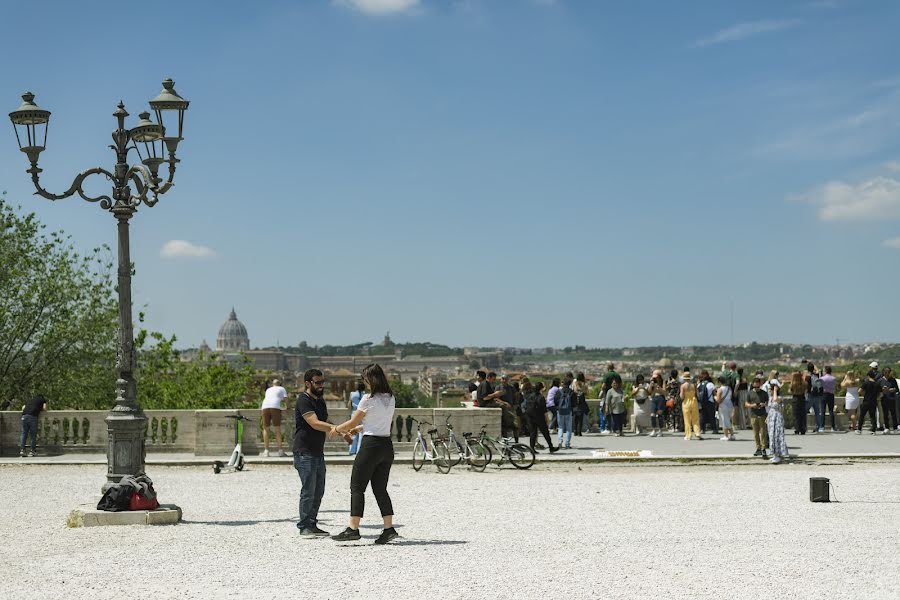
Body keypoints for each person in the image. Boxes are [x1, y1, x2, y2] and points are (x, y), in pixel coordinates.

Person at [331, 364, 399, 545]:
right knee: (380, 489)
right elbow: (379, 423)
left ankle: (353, 529)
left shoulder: (367, 399)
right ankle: (388, 528)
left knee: (357, 486)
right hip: (386, 445)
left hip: (371, 447)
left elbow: (353, 420)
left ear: (370, 379)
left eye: (365, 378)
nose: (364, 382)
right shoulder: (390, 398)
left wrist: (336, 428)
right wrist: (358, 429)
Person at [294, 369, 339, 537]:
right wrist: (334, 428)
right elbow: (313, 423)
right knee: (308, 490)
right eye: (317, 383)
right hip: (304, 452)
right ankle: (304, 526)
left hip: (318, 452)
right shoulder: (303, 400)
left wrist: (342, 431)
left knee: (318, 490)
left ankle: (312, 523)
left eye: (322, 382)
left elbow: (324, 421)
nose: (321, 386)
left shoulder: (320, 401)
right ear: (307, 383)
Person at [525, 381, 558, 453]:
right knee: (545, 433)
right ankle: (551, 447)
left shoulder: (530, 396)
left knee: (533, 433)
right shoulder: (541, 397)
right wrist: (548, 420)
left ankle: (532, 448)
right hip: (539, 417)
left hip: (530, 417)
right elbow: (544, 410)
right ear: (541, 388)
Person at [260, 378, 288, 457]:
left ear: (273, 384)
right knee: (277, 428)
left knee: (266, 428)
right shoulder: (282, 388)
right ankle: (280, 450)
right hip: (275, 407)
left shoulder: (268, 390)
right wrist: (289, 407)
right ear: (279, 384)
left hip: (265, 406)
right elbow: (286, 400)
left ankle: (266, 451)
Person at [765, 371, 788, 464]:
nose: (769, 391)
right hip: (771, 417)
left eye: (771, 389)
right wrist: (767, 417)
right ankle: (774, 454)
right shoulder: (770, 397)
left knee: (777, 436)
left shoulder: (779, 397)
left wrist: (775, 390)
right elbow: (770, 407)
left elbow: (775, 400)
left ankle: (778, 454)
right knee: (771, 436)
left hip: (777, 418)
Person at [745, 378, 768, 458]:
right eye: (755, 384)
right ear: (753, 384)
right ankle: (758, 448)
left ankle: (763, 448)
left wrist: (763, 404)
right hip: (753, 415)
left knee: (763, 432)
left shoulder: (764, 393)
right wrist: (752, 405)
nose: (757, 386)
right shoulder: (750, 393)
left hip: (762, 414)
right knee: (755, 433)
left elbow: (767, 403)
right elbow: (746, 404)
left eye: (758, 384)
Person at [857, 369, 881, 435]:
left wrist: (864, 394)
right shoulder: (877, 384)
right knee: (873, 416)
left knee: (862, 415)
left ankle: (859, 429)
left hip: (866, 401)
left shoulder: (866, 383)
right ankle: (873, 430)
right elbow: (879, 393)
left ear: (868, 376)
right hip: (873, 402)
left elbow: (859, 391)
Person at [555, 379, 576, 448]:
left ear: (563, 384)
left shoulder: (559, 391)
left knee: (560, 427)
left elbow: (555, 400)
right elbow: (574, 403)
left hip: (560, 411)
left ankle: (560, 441)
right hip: (568, 411)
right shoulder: (571, 392)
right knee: (568, 428)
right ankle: (567, 444)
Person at [680, 372, 701, 440]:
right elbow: (697, 394)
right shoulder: (693, 385)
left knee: (687, 419)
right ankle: (697, 432)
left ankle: (688, 435)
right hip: (694, 401)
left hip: (686, 402)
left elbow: (682, 396)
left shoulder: (683, 386)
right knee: (695, 418)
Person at [805, 362, 825, 434]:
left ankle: (804, 427)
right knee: (817, 413)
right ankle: (819, 427)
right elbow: (818, 371)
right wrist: (813, 365)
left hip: (809, 396)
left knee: (804, 412)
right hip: (817, 396)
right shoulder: (816, 376)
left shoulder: (807, 377)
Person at [697, 370, 718, 436]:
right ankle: (714, 429)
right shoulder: (711, 384)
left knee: (702, 416)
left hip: (702, 402)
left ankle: (702, 429)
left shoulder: (699, 385)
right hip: (710, 402)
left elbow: (697, 393)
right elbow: (714, 393)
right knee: (712, 416)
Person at [348, 382, 366, 455]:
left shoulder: (352, 394)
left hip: (354, 414)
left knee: (353, 432)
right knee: (362, 432)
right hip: (362, 414)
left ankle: (352, 450)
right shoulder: (365, 395)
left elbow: (349, 404)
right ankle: (359, 450)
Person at [880, 367, 899, 433]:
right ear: (883, 372)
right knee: (885, 414)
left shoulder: (893, 380)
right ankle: (887, 428)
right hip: (884, 399)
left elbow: (897, 389)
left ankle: (895, 428)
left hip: (892, 399)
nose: (887, 373)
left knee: (893, 414)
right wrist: (882, 390)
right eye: (885, 372)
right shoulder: (880, 380)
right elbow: (877, 390)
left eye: (888, 372)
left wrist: (892, 389)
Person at [716, 376, 735, 441]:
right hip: (730, 403)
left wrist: (714, 397)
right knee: (728, 420)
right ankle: (732, 434)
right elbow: (730, 396)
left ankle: (726, 435)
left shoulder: (720, 389)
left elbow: (718, 400)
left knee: (724, 420)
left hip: (723, 405)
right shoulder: (729, 388)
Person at [648, 370, 666, 437]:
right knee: (652, 415)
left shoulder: (663, 382)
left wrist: (658, 388)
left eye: (657, 377)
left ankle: (660, 430)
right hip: (654, 398)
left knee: (659, 415)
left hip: (661, 398)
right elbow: (649, 392)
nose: (656, 378)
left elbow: (664, 392)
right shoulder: (652, 382)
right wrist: (651, 384)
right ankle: (653, 430)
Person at [820, 366, 838, 432]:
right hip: (831, 395)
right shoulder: (834, 378)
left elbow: (820, 385)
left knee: (823, 411)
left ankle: (822, 427)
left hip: (824, 394)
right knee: (831, 411)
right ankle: (833, 427)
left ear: (825, 371)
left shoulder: (822, 378)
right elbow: (835, 386)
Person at [790, 371, 807, 435]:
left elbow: (790, 390)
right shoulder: (804, 383)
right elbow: (806, 389)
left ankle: (797, 429)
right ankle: (803, 428)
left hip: (795, 398)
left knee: (796, 415)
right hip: (802, 398)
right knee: (802, 414)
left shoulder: (793, 384)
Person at [666, 369, 682, 433]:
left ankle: (672, 427)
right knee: (677, 414)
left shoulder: (669, 383)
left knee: (671, 414)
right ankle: (677, 427)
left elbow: (667, 390)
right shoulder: (679, 383)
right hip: (677, 399)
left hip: (671, 399)